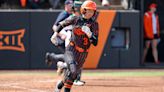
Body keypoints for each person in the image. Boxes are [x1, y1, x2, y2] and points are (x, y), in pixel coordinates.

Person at [47, 1, 99, 92]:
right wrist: (55, 34)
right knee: (73, 70)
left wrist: (90, 34)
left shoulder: (94, 25)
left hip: (83, 53)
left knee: (72, 74)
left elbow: (95, 43)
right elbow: (62, 24)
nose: (90, 13)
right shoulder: (75, 19)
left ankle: (60, 85)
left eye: (92, 11)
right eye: (89, 10)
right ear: (83, 10)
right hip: (71, 49)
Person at [47, 0, 86, 86]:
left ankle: (63, 65)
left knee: (76, 59)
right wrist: (56, 34)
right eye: (79, 8)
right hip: (70, 38)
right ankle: (73, 77)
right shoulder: (70, 16)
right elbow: (60, 25)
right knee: (75, 59)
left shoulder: (79, 17)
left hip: (75, 39)